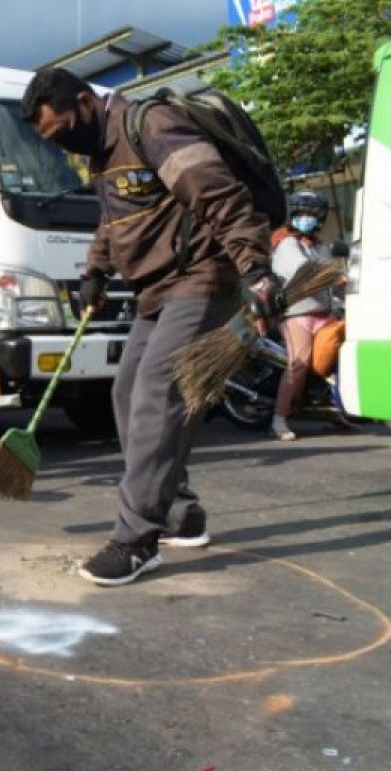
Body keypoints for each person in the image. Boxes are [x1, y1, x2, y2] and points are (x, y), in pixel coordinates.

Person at [21, 69, 278, 586]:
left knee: (158, 393)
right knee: (125, 391)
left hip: (202, 274)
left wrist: (255, 267)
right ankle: (181, 511)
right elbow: (113, 221)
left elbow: (217, 193)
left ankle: (137, 539)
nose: (63, 142)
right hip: (155, 289)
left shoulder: (151, 125)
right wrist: (94, 272)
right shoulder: (99, 153)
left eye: (63, 128)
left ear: (84, 100)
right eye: (52, 140)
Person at [269, 191, 336, 441]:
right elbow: (304, 271)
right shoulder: (288, 245)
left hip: (324, 313)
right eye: (301, 214)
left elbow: (334, 271)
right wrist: (332, 275)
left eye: (310, 214)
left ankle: (332, 408)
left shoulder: (319, 247)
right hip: (297, 313)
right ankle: (279, 419)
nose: (305, 218)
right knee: (299, 364)